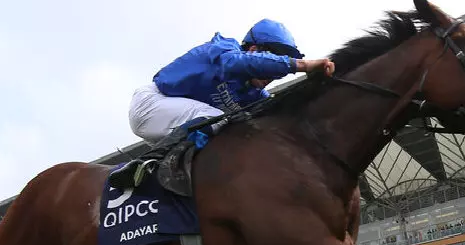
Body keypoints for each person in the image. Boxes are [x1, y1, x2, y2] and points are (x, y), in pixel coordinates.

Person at [113, 20, 334, 187]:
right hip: (151, 103)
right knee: (216, 117)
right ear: (254, 50)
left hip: (172, 125)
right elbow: (235, 63)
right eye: (276, 58)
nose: (273, 75)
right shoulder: (224, 48)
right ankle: (144, 163)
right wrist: (302, 65)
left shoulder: (255, 97)